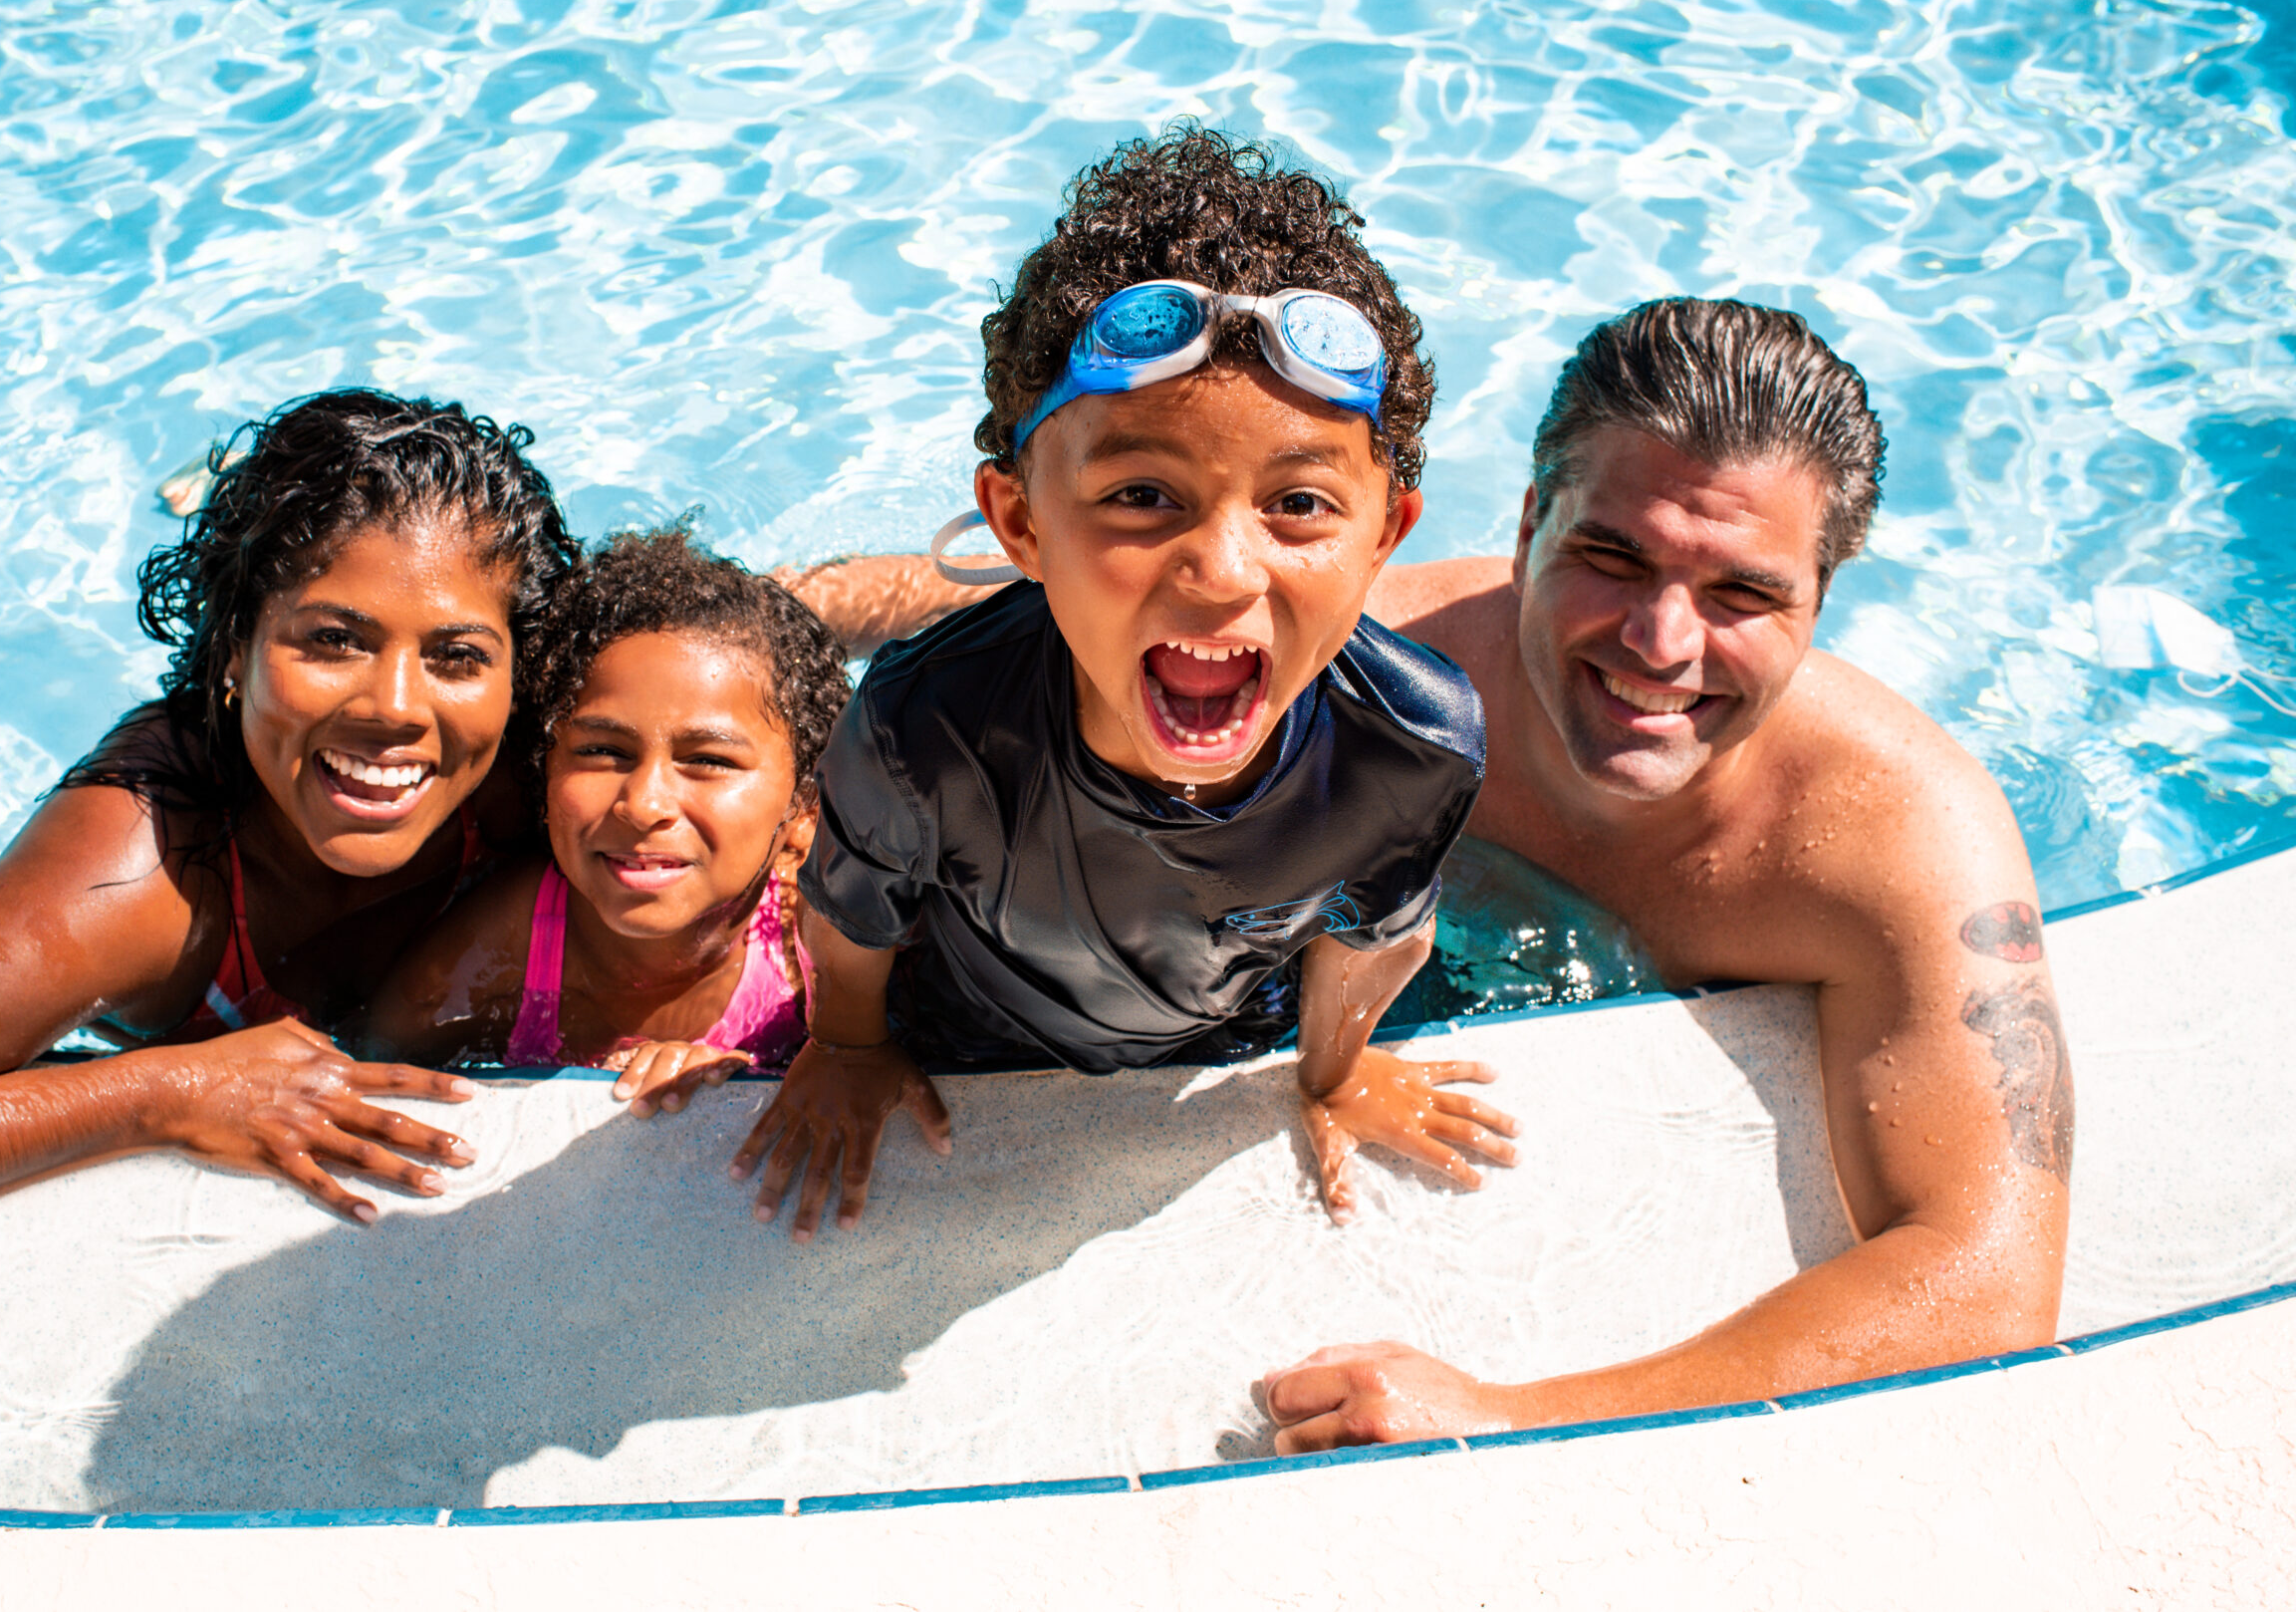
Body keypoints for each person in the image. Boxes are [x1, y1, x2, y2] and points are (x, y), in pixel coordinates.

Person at [1255, 297, 2072, 1448]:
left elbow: (1986, 1281)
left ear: (1820, 599)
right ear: (1531, 520)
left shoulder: (1895, 834)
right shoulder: (1362, 668)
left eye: (1742, 591)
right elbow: (1062, 611)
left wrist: (1512, 1414)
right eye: (1611, 555)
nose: (1660, 642)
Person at [736, 126, 1523, 1243]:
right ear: (1018, 521)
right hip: (974, 1032)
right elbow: (851, 919)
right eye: (1143, 495)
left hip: (1226, 1030)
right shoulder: (926, 722)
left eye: (1298, 503)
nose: (1221, 570)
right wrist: (851, 1046)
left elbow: (1377, 938)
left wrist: (1330, 1075)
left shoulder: (1415, 745)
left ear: (1385, 531)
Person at [0, 389, 577, 1232]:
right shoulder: (144, 871)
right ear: (234, 649)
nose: (396, 706)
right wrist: (163, 1092)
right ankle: (214, 478)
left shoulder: (533, 783)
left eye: (458, 655)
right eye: (332, 639)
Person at [357, 526, 848, 1115]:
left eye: (709, 761)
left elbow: (881, 1058)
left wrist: (753, 1079)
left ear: (801, 813)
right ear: (544, 775)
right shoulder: (502, 948)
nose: (642, 803)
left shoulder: (814, 934)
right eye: (601, 751)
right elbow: (365, 1071)